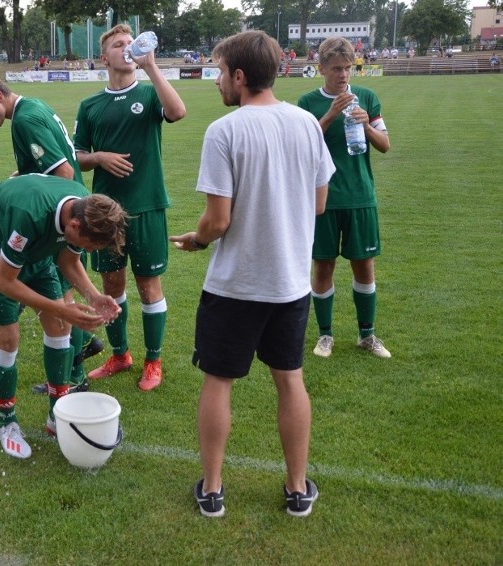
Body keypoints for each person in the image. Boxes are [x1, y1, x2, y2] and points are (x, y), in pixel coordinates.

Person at [169, 30, 334, 518]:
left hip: (236, 284)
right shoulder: (306, 123)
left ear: (239, 77)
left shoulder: (225, 131)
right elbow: (319, 202)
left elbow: (217, 221)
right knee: (290, 379)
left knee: (219, 381)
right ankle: (298, 488)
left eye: (220, 71)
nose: (218, 80)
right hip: (289, 283)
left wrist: (196, 240)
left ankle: (214, 489)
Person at [0, 67, 104, 395]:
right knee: (60, 303)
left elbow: (63, 173)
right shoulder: (34, 105)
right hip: (70, 212)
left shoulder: (24, 120)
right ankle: (75, 368)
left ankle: (75, 375)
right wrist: (23, 176)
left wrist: (48, 216)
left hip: (63, 219)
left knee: (62, 303)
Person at [0, 174, 127, 458]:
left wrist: (94, 297)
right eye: (89, 245)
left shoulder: (81, 205)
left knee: (60, 327)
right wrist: (61, 307)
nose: (88, 251)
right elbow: (6, 282)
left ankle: (57, 413)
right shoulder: (28, 215)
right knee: (7, 339)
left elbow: (68, 259)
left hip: (35, 246)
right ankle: (7, 422)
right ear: (73, 226)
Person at [73, 23, 187, 391]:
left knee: (149, 284)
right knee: (112, 282)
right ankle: (120, 354)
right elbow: (76, 156)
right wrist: (100, 157)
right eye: (118, 45)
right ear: (104, 57)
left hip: (148, 204)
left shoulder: (150, 93)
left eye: (130, 43)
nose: (126, 48)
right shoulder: (90, 105)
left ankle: (153, 361)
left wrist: (151, 66)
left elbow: (178, 111)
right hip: (103, 212)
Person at [298, 36, 392, 359]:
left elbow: (385, 144)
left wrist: (366, 126)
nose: (343, 75)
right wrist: (329, 116)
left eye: (347, 68)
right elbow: (301, 148)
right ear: (321, 68)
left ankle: (367, 334)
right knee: (322, 267)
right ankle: (325, 336)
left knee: (364, 266)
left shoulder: (366, 96)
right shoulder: (308, 103)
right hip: (323, 199)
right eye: (336, 68)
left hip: (361, 196)